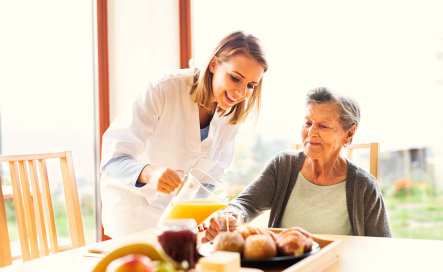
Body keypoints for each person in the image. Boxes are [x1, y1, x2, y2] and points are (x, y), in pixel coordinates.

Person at [100, 31, 268, 238]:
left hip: (178, 222)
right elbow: (111, 160)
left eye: (251, 86)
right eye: (235, 78)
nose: (241, 93)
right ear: (214, 64)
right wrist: (150, 173)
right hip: (132, 214)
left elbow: (211, 178)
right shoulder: (162, 89)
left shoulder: (230, 115)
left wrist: (207, 214)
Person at [203, 87, 392, 242]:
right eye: (308, 123)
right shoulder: (283, 165)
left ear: (349, 134)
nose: (311, 133)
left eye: (323, 126)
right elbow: (245, 204)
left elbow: (383, 246)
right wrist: (229, 217)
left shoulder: (364, 186)